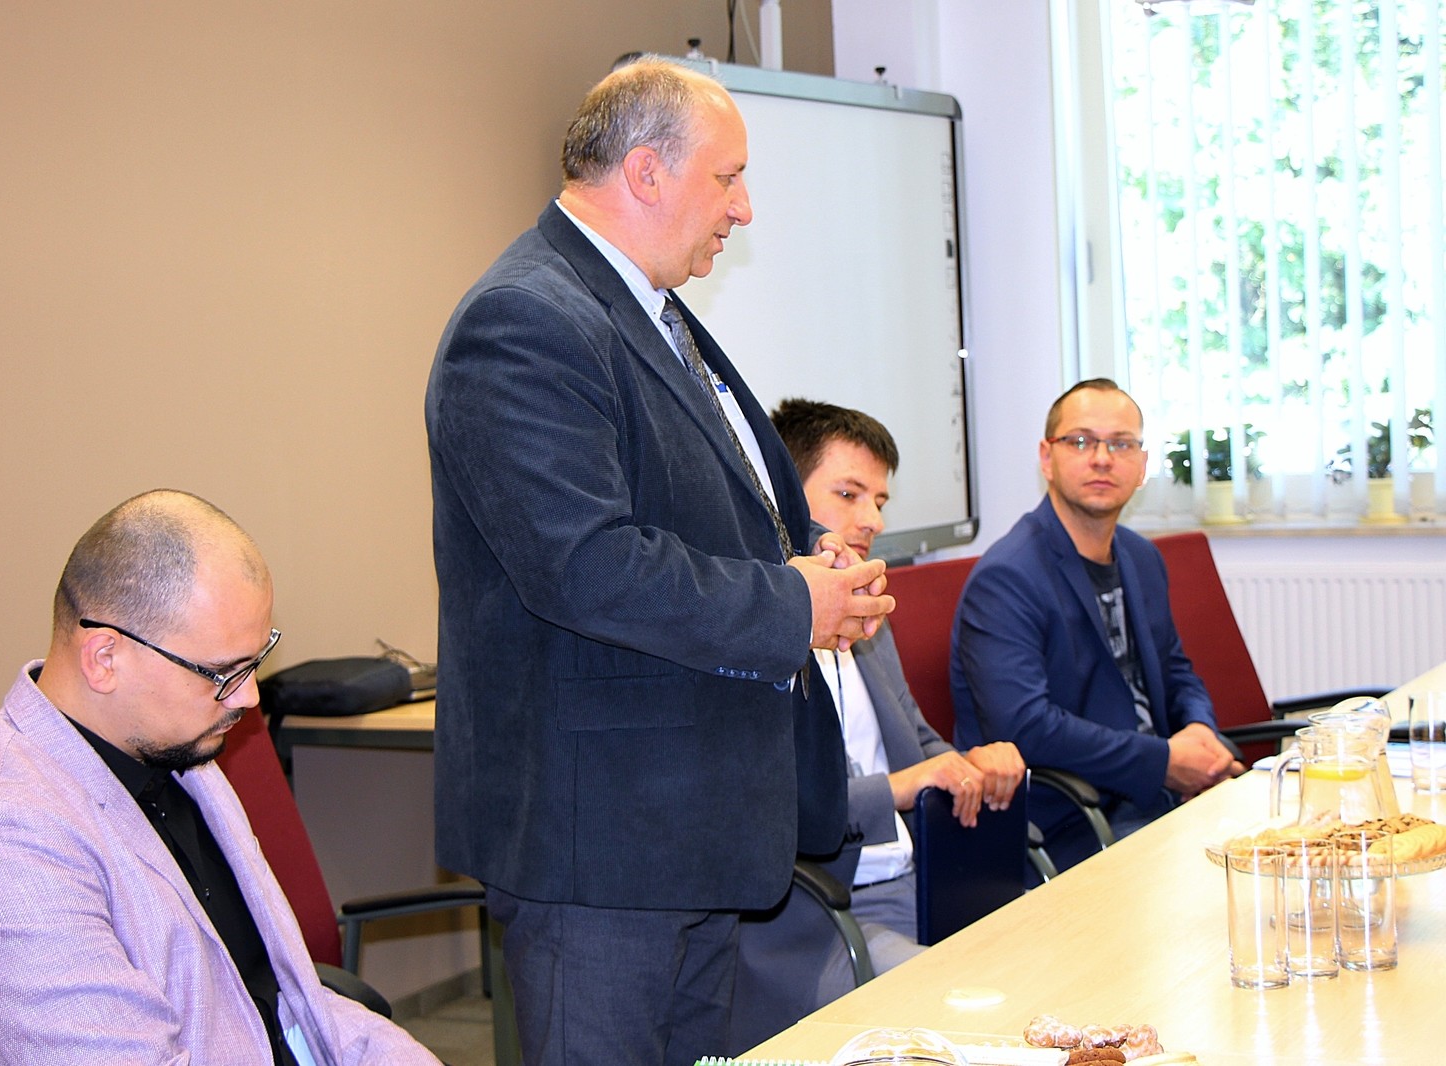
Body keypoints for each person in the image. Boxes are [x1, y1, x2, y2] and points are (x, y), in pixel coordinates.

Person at [424, 59, 895, 1066]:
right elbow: (585, 563)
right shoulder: (524, 319)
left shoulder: (648, 307)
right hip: (601, 842)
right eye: (727, 178)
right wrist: (790, 605)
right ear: (645, 172)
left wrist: (808, 563)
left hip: (687, 824)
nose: (744, 209)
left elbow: (696, 511)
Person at [0, 490, 440, 1066]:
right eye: (222, 672)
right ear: (104, 658)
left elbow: (287, 1000)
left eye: (255, 662)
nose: (249, 699)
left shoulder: (179, 759)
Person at [729, 399, 1025, 1051]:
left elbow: (918, 741)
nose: (873, 520)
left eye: (880, 500)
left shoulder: (866, 613)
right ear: (783, 493)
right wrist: (897, 788)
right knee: (969, 1012)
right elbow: (764, 804)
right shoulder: (748, 629)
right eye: (849, 494)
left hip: (919, 880)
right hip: (816, 913)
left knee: (1042, 962)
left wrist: (973, 764)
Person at [951, 379, 1242, 872]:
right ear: (1047, 458)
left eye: (1121, 444)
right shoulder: (1007, 577)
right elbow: (1026, 727)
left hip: (1156, 790)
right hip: (1076, 817)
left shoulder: (1142, 557)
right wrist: (1165, 763)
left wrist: (1200, 733)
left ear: (1142, 465)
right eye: (1081, 441)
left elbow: (1175, 669)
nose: (1102, 459)